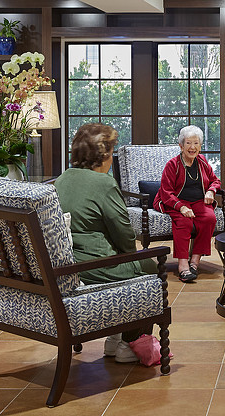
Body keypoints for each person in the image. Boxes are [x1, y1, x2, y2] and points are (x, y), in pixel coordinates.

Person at [54, 122, 154, 363]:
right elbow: (125, 235)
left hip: (67, 265)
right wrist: (132, 256)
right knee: (150, 267)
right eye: (112, 152)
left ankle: (113, 339)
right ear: (103, 155)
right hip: (94, 266)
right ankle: (128, 343)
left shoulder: (63, 179)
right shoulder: (104, 184)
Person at [156, 125, 221, 283]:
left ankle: (195, 262)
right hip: (176, 202)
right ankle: (183, 267)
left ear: (200, 145)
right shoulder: (172, 165)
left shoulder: (202, 162)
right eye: (188, 143)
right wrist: (181, 207)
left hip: (198, 201)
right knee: (184, 222)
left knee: (209, 218)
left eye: (196, 143)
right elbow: (166, 192)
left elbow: (215, 180)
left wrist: (211, 191)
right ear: (181, 145)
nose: (192, 147)